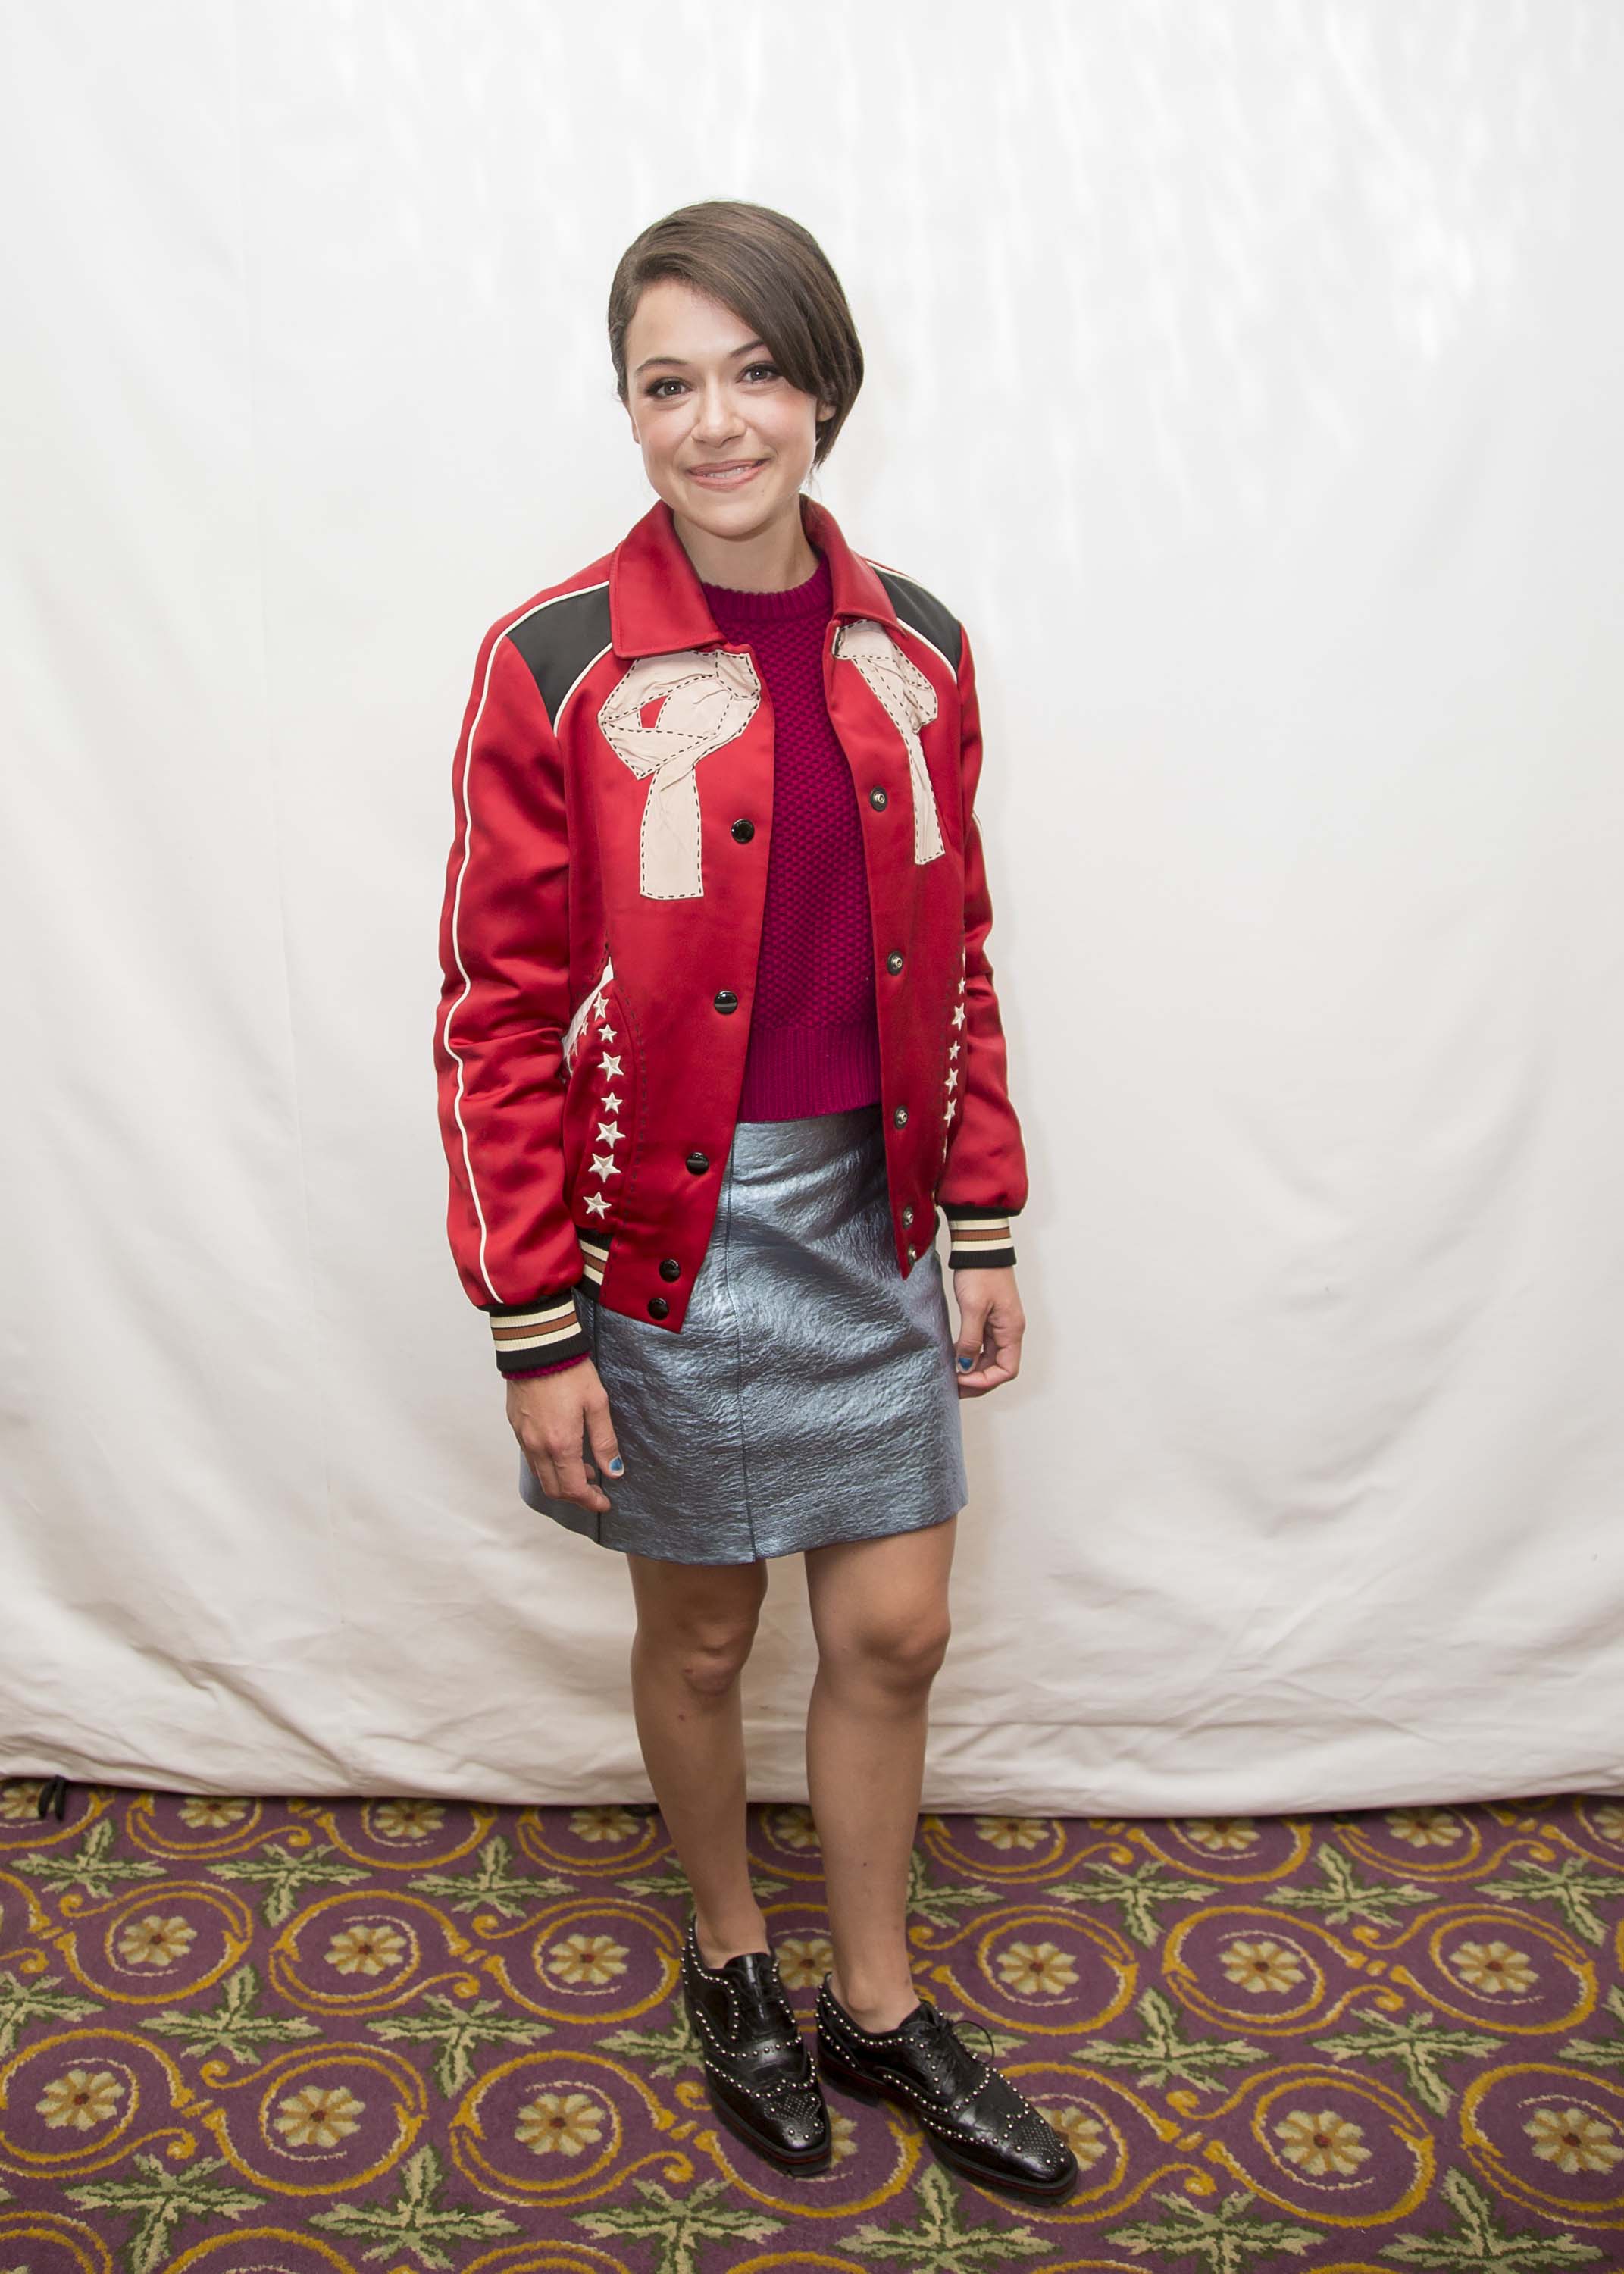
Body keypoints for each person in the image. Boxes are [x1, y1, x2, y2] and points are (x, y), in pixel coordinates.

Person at [432, 198, 1075, 2204]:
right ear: (627, 415)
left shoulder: (922, 651)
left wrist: (982, 1218)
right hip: (666, 1242)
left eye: (755, 372)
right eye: (667, 384)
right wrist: (536, 1326)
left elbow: (956, 950)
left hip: (870, 1219)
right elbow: (492, 1011)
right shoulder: (551, 661)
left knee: (894, 1633)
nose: (717, 422)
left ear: (824, 385)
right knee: (704, 1641)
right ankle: (733, 1959)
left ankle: (876, 2005)